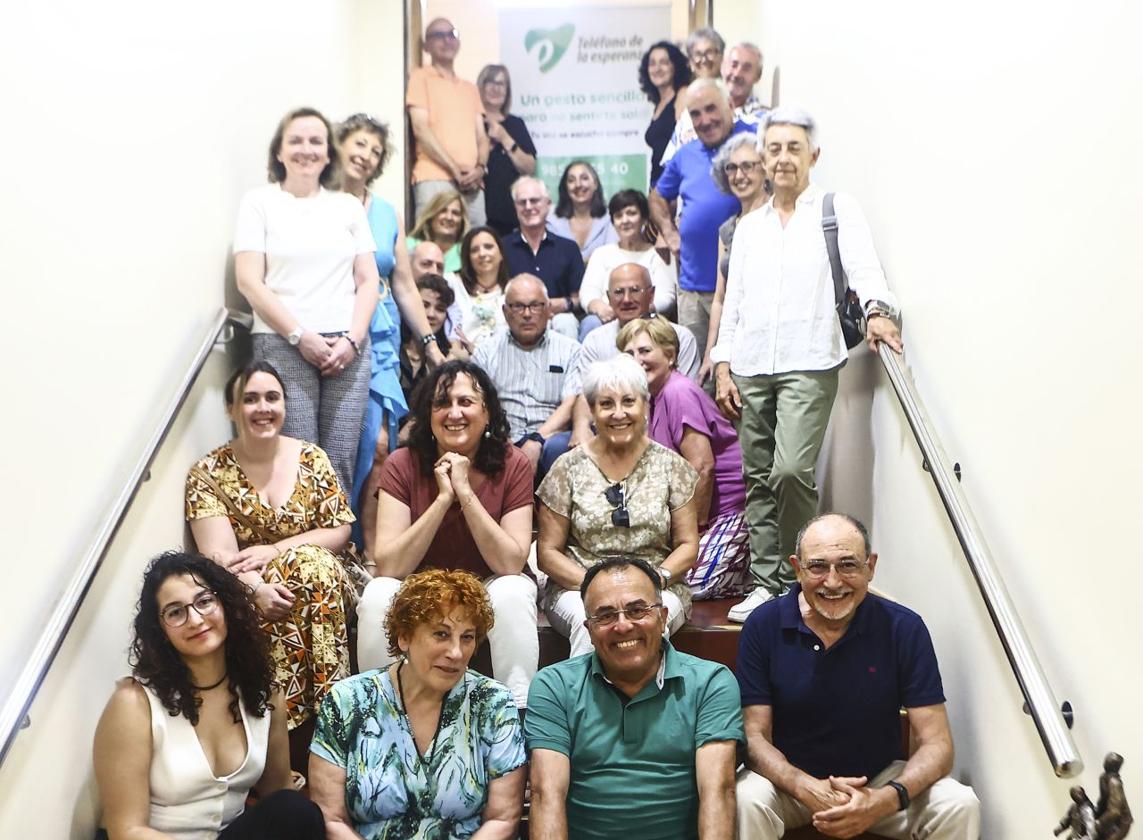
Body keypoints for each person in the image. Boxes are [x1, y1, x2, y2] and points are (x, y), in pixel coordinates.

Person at [712, 107, 902, 622]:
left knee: (791, 470)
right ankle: (764, 583)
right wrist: (723, 362)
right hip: (751, 363)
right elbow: (735, 302)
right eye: (773, 149)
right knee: (757, 476)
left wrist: (878, 312)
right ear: (762, 157)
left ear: (812, 156)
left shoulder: (835, 210)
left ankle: (801, 575)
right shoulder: (747, 228)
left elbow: (864, 268)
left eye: (793, 148)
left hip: (810, 359)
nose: (782, 158)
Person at [735, 513, 981, 838]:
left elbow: (937, 743)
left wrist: (886, 798)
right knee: (746, 799)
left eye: (848, 565)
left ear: (870, 566)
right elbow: (754, 736)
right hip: (790, 786)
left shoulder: (903, 628)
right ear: (797, 568)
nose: (833, 582)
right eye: (818, 566)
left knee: (960, 803)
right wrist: (802, 784)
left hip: (877, 781)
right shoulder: (763, 625)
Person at [186, 362, 361, 745]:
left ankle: (308, 731)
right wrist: (254, 590)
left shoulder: (311, 458)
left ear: (284, 404)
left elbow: (339, 529)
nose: (262, 408)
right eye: (250, 399)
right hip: (249, 586)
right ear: (231, 410)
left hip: (332, 580)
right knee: (279, 596)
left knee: (310, 566)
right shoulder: (208, 474)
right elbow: (220, 556)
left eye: (272, 397)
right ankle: (321, 731)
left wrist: (275, 550)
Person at [93, 552, 325, 840]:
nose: (195, 619)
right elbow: (126, 830)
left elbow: (278, 791)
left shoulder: (263, 693)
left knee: (296, 811)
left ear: (226, 605)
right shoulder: (133, 703)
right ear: (160, 630)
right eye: (175, 612)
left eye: (204, 601)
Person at [356, 361, 537, 709]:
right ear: (428, 414)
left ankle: (517, 714)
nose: (454, 413)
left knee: (513, 591)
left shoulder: (513, 463)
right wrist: (443, 499)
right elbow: (389, 565)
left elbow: (511, 562)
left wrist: (465, 493)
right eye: (442, 403)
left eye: (465, 402)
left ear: (487, 413)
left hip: (489, 584)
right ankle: (380, 712)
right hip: (420, 588)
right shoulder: (401, 462)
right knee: (379, 593)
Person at [526, 557, 742, 840]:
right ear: (588, 630)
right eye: (604, 616)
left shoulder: (710, 683)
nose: (623, 625)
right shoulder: (554, 686)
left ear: (663, 617)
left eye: (637, 610)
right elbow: (546, 795)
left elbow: (718, 791)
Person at [309, 569, 526, 840]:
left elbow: (503, 818)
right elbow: (331, 818)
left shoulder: (494, 703)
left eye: (467, 637)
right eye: (441, 634)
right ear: (404, 637)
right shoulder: (348, 700)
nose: (456, 653)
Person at [234, 106, 378, 494]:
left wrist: (352, 340)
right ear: (278, 151)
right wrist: (301, 336)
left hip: (347, 348)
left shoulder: (347, 205)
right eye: (295, 140)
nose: (306, 149)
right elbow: (249, 280)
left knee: (341, 458)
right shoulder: (259, 202)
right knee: (299, 460)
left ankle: (337, 552)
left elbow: (368, 281)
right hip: (283, 343)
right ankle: (304, 554)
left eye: (316, 141)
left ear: (329, 153)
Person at [334, 113, 445, 556]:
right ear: (339, 145)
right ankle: (341, 548)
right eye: (359, 144)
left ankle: (376, 552)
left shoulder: (385, 212)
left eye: (375, 151)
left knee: (380, 443)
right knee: (342, 445)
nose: (365, 155)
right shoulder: (320, 205)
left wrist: (430, 345)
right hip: (338, 333)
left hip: (381, 336)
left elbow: (402, 282)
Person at [536, 355, 699, 656]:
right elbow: (547, 554)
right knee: (596, 623)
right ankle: (585, 702)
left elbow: (688, 544)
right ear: (593, 411)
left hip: (658, 585)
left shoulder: (672, 466)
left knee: (650, 623)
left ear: (645, 406)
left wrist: (655, 580)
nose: (618, 413)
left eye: (628, 402)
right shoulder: (566, 467)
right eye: (606, 404)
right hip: (577, 586)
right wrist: (597, 586)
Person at [618, 318, 750, 601]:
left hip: (726, 512)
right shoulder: (651, 398)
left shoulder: (679, 391)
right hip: (692, 516)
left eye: (645, 351)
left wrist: (694, 534)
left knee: (691, 582)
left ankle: (746, 576)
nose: (637, 360)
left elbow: (702, 468)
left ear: (670, 354)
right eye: (629, 354)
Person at [650, 80, 752, 362]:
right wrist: (669, 233)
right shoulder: (685, 154)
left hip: (740, 293)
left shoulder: (753, 143)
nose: (704, 120)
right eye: (695, 114)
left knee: (738, 379)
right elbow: (657, 198)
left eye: (711, 109)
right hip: (693, 290)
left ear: (730, 105)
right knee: (698, 379)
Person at [571, 263, 699, 445]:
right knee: (558, 446)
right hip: (609, 427)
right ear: (608, 297)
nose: (626, 299)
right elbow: (585, 395)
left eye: (635, 290)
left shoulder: (680, 338)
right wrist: (581, 428)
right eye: (618, 292)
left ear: (651, 294)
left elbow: (684, 398)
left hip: (664, 429)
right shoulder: (595, 340)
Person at [472, 274, 581, 482]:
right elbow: (479, 404)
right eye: (518, 307)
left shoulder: (570, 350)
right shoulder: (486, 352)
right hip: (501, 436)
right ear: (505, 312)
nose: (527, 314)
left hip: (550, 438)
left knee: (557, 448)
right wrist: (502, 439)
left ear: (549, 309)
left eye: (535, 306)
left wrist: (537, 440)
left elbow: (570, 403)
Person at [699, 132, 769, 385]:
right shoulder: (727, 230)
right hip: (735, 343)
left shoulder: (779, 219)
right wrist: (711, 355)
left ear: (765, 169)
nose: (739, 176)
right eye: (732, 168)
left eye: (748, 166)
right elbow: (720, 299)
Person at [407, 17, 489, 226]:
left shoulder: (470, 88)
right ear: (426, 46)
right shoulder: (420, 78)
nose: (446, 40)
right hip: (434, 177)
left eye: (451, 34)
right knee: (433, 249)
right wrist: (454, 169)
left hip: (472, 183)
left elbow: (482, 137)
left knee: (477, 248)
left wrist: (479, 169)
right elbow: (421, 129)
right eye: (438, 35)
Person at [579, 190, 677, 338]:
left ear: (644, 219)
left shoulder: (658, 254)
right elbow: (588, 293)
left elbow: (667, 296)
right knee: (590, 322)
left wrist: (638, 310)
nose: (625, 220)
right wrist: (601, 308)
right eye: (618, 216)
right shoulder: (602, 253)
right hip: (608, 319)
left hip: (647, 319)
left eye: (631, 213)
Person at [501, 176, 584, 340]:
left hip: (558, 320)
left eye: (534, 201)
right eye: (522, 202)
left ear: (548, 203)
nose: (528, 207)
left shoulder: (568, 248)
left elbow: (580, 299)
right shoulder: (502, 248)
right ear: (515, 207)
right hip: (515, 320)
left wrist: (564, 304)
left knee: (565, 322)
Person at [478, 63, 537, 236]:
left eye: (501, 84)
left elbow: (529, 167)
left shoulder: (515, 124)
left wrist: (504, 137)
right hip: (478, 211)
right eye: (491, 82)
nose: (496, 88)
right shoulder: (471, 122)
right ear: (481, 86)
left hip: (510, 215)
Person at [657, 28, 725, 164]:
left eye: (709, 52)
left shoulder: (730, 98)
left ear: (721, 56)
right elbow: (672, 161)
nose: (704, 60)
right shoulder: (689, 102)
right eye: (697, 54)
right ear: (690, 63)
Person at [400, 272, 467, 398]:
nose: (431, 314)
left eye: (440, 309)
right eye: (424, 305)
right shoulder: (392, 345)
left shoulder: (447, 358)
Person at [639, 40, 693, 187]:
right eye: (652, 63)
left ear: (675, 66)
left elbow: (686, 143)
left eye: (663, 62)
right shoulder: (659, 104)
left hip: (675, 185)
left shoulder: (683, 95)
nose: (657, 68)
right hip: (657, 184)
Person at [449, 225, 510, 348]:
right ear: (468, 258)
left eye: (488, 247)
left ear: (501, 253)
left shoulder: (513, 291)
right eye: (474, 250)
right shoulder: (452, 283)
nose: (482, 254)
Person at [547, 160, 618, 263]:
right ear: (565, 187)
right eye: (571, 180)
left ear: (595, 184)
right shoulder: (551, 220)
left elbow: (611, 257)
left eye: (584, 178)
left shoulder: (610, 218)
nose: (578, 185)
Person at [407, 188, 469, 274]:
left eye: (455, 213)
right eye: (443, 211)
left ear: (462, 221)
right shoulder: (409, 245)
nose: (449, 217)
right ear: (431, 216)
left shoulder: (467, 252)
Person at [721, 42, 767, 123]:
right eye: (734, 65)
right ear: (723, 68)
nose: (737, 74)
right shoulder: (706, 108)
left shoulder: (762, 119)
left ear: (758, 76)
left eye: (746, 69)